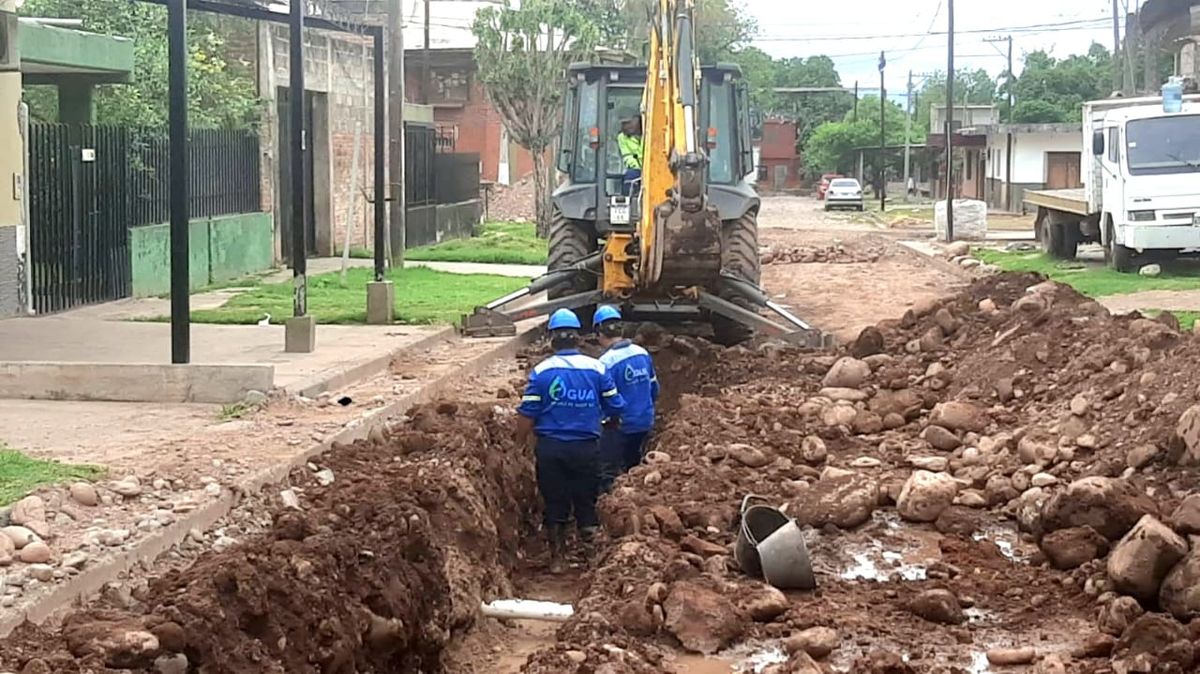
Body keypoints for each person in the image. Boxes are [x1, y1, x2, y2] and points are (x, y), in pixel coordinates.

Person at [517, 308, 625, 573]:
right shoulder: (597, 368)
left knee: (554, 500)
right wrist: (608, 422)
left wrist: (518, 444)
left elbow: (527, 413)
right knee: (586, 499)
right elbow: (615, 405)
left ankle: (558, 558)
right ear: (578, 338)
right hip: (586, 448)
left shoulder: (541, 371)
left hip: (551, 449)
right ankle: (591, 556)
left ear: (552, 339)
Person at [593, 305, 659, 492]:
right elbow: (654, 388)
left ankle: (610, 504)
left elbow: (603, 402)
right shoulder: (642, 353)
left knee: (608, 471)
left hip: (620, 426)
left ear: (599, 332)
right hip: (644, 422)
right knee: (635, 466)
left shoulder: (606, 363)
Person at [617, 117, 644, 196]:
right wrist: (641, 167)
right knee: (630, 175)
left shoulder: (649, 133)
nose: (626, 126)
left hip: (652, 166)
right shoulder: (622, 138)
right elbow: (627, 156)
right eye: (624, 124)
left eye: (629, 122)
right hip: (636, 169)